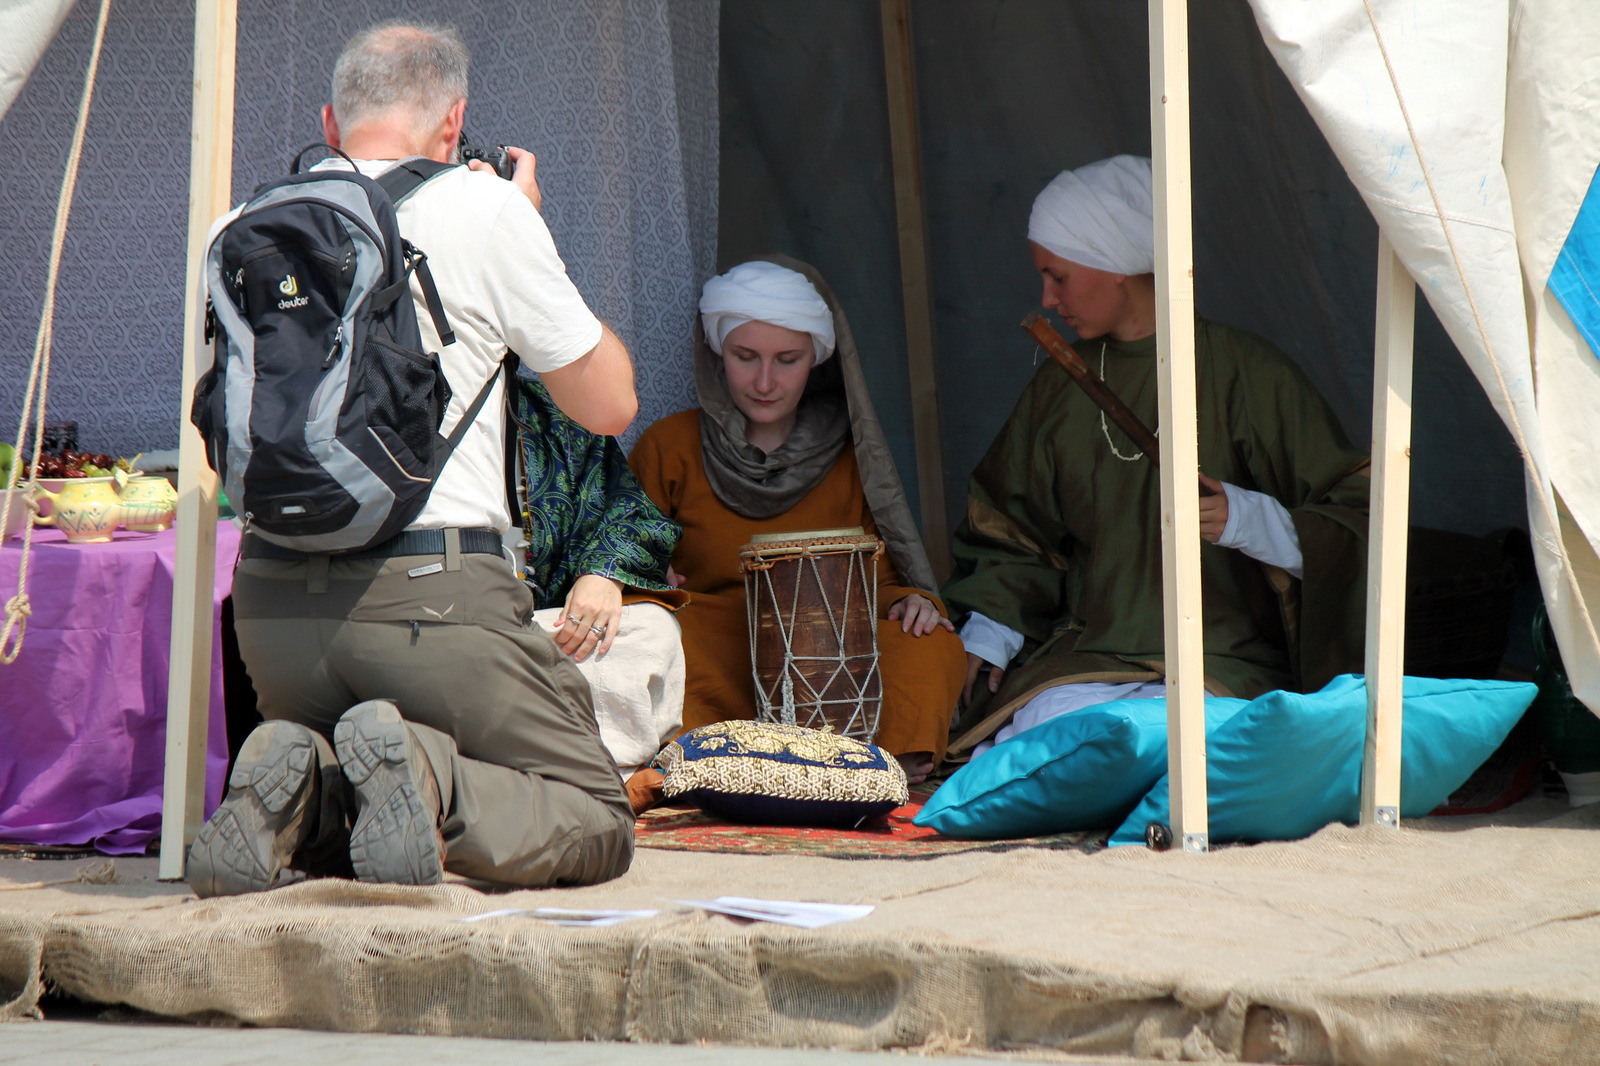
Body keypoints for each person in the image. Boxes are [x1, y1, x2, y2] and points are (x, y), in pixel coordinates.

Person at [188, 21, 638, 896]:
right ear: (453, 121)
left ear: (329, 122)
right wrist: (525, 231)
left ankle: (301, 787)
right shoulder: (486, 209)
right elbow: (609, 404)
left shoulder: (240, 229)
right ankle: (430, 771)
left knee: (359, 782)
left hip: (275, 607)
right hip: (433, 603)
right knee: (594, 816)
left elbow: (213, 423)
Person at [944, 155, 1370, 757]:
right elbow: (1014, 533)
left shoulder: (1249, 374)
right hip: (1085, 663)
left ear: (1116, 267)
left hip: (1222, 663)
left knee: (1183, 745)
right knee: (1049, 741)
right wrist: (988, 633)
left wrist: (1252, 520)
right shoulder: (1059, 387)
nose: (1045, 297)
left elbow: (1360, 519)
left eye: (1058, 275)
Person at [629, 256, 966, 780]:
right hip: (720, 641)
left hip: (828, 653)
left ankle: (880, 760)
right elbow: (620, 558)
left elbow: (880, 577)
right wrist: (650, 577)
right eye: (746, 357)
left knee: (931, 642)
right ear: (718, 354)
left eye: (787, 359)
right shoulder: (669, 446)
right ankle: (723, 753)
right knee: (655, 641)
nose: (765, 380)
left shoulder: (852, 454)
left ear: (817, 359)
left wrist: (912, 601)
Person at [510, 376, 687, 813]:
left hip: (544, 631)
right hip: (445, 622)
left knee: (652, 629)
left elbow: (628, 511)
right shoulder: (389, 407)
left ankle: (612, 783)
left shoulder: (550, 412)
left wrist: (604, 573)